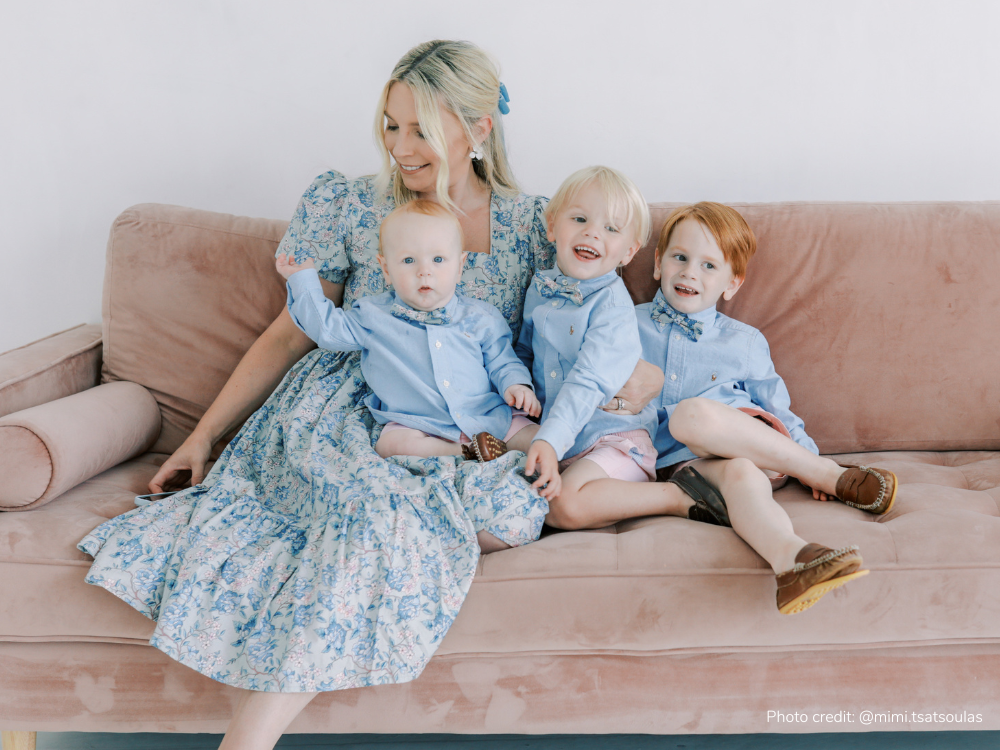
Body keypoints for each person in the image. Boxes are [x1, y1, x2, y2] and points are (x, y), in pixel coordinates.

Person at [76, 40, 663, 750]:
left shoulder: (539, 223)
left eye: (420, 129)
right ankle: (250, 739)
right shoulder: (348, 202)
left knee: (509, 508)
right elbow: (293, 334)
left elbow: (597, 320)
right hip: (351, 411)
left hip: (469, 423)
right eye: (391, 124)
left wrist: (646, 375)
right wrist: (204, 434)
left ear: (478, 129)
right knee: (366, 518)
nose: (399, 147)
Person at [636, 201, 898, 614]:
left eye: (709, 266)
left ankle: (823, 473)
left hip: (753, 441)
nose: (689, 272)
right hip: (683, 466)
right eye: (680, 258)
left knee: (697, 417)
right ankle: (793, 561)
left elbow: (778, 405)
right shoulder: (624, 326)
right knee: (729, 464)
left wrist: (804, 454)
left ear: (732, 283)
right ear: (658, 263)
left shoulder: (743, 341)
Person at [275, 198, 541, 460]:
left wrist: (516, 385)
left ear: (459, 266)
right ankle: (463, 452)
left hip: (486, 417)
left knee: (538, 439)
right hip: (416, 423)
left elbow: (503, 361)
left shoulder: (482, 317)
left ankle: (509, 452)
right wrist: (303, 280)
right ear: (386, 269)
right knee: (391, 444)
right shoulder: (372, 316)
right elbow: (328, 331)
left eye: (438, 259)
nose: (424, 271)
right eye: (408, 261)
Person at [510, 166, 660, 529]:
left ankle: (678, 497)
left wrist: (549, 440)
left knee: (562, 506)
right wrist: (517, 386)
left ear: (628, 251)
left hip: (611, 438)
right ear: (551, 227)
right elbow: (524, 351)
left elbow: (587, 383)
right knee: (489, 424)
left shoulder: (612, 308)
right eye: (579, 218)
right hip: (560, 432)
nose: (592, 232)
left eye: (611, 228)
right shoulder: (542, 287)